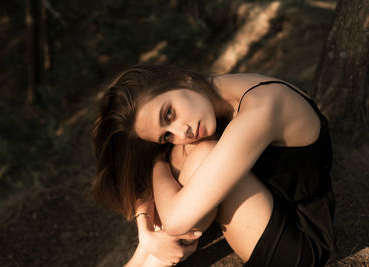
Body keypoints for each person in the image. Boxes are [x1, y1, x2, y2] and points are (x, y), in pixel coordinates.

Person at [92, 65, 337, 266]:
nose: (181, 131)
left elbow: (178, 220)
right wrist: (145, 232)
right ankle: (141, 259)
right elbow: (153, 168)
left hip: (298, 239)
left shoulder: (262, 108)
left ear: (180, 79)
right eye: (165, 136)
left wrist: (159, 163)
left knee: (203, 152)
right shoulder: (208, 97)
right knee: (194, 150)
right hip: (269, 201)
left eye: (169, 114)